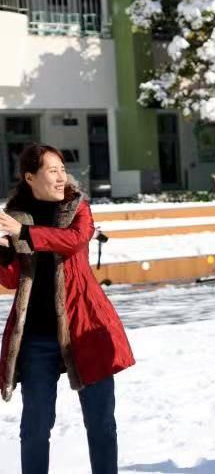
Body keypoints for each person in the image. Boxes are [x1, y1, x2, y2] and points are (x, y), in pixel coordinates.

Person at [0, 143, 135, 474]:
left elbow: (74, 241)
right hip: (36, 336)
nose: (61, 177)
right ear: (30, 177)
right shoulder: (15, 215)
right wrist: (3, 250)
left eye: (62, 169)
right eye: (52, 171)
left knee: (101, 423)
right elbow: (11, 279)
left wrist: (25, 234)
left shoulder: (78, 208)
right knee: (34, 427)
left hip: (85, 328)